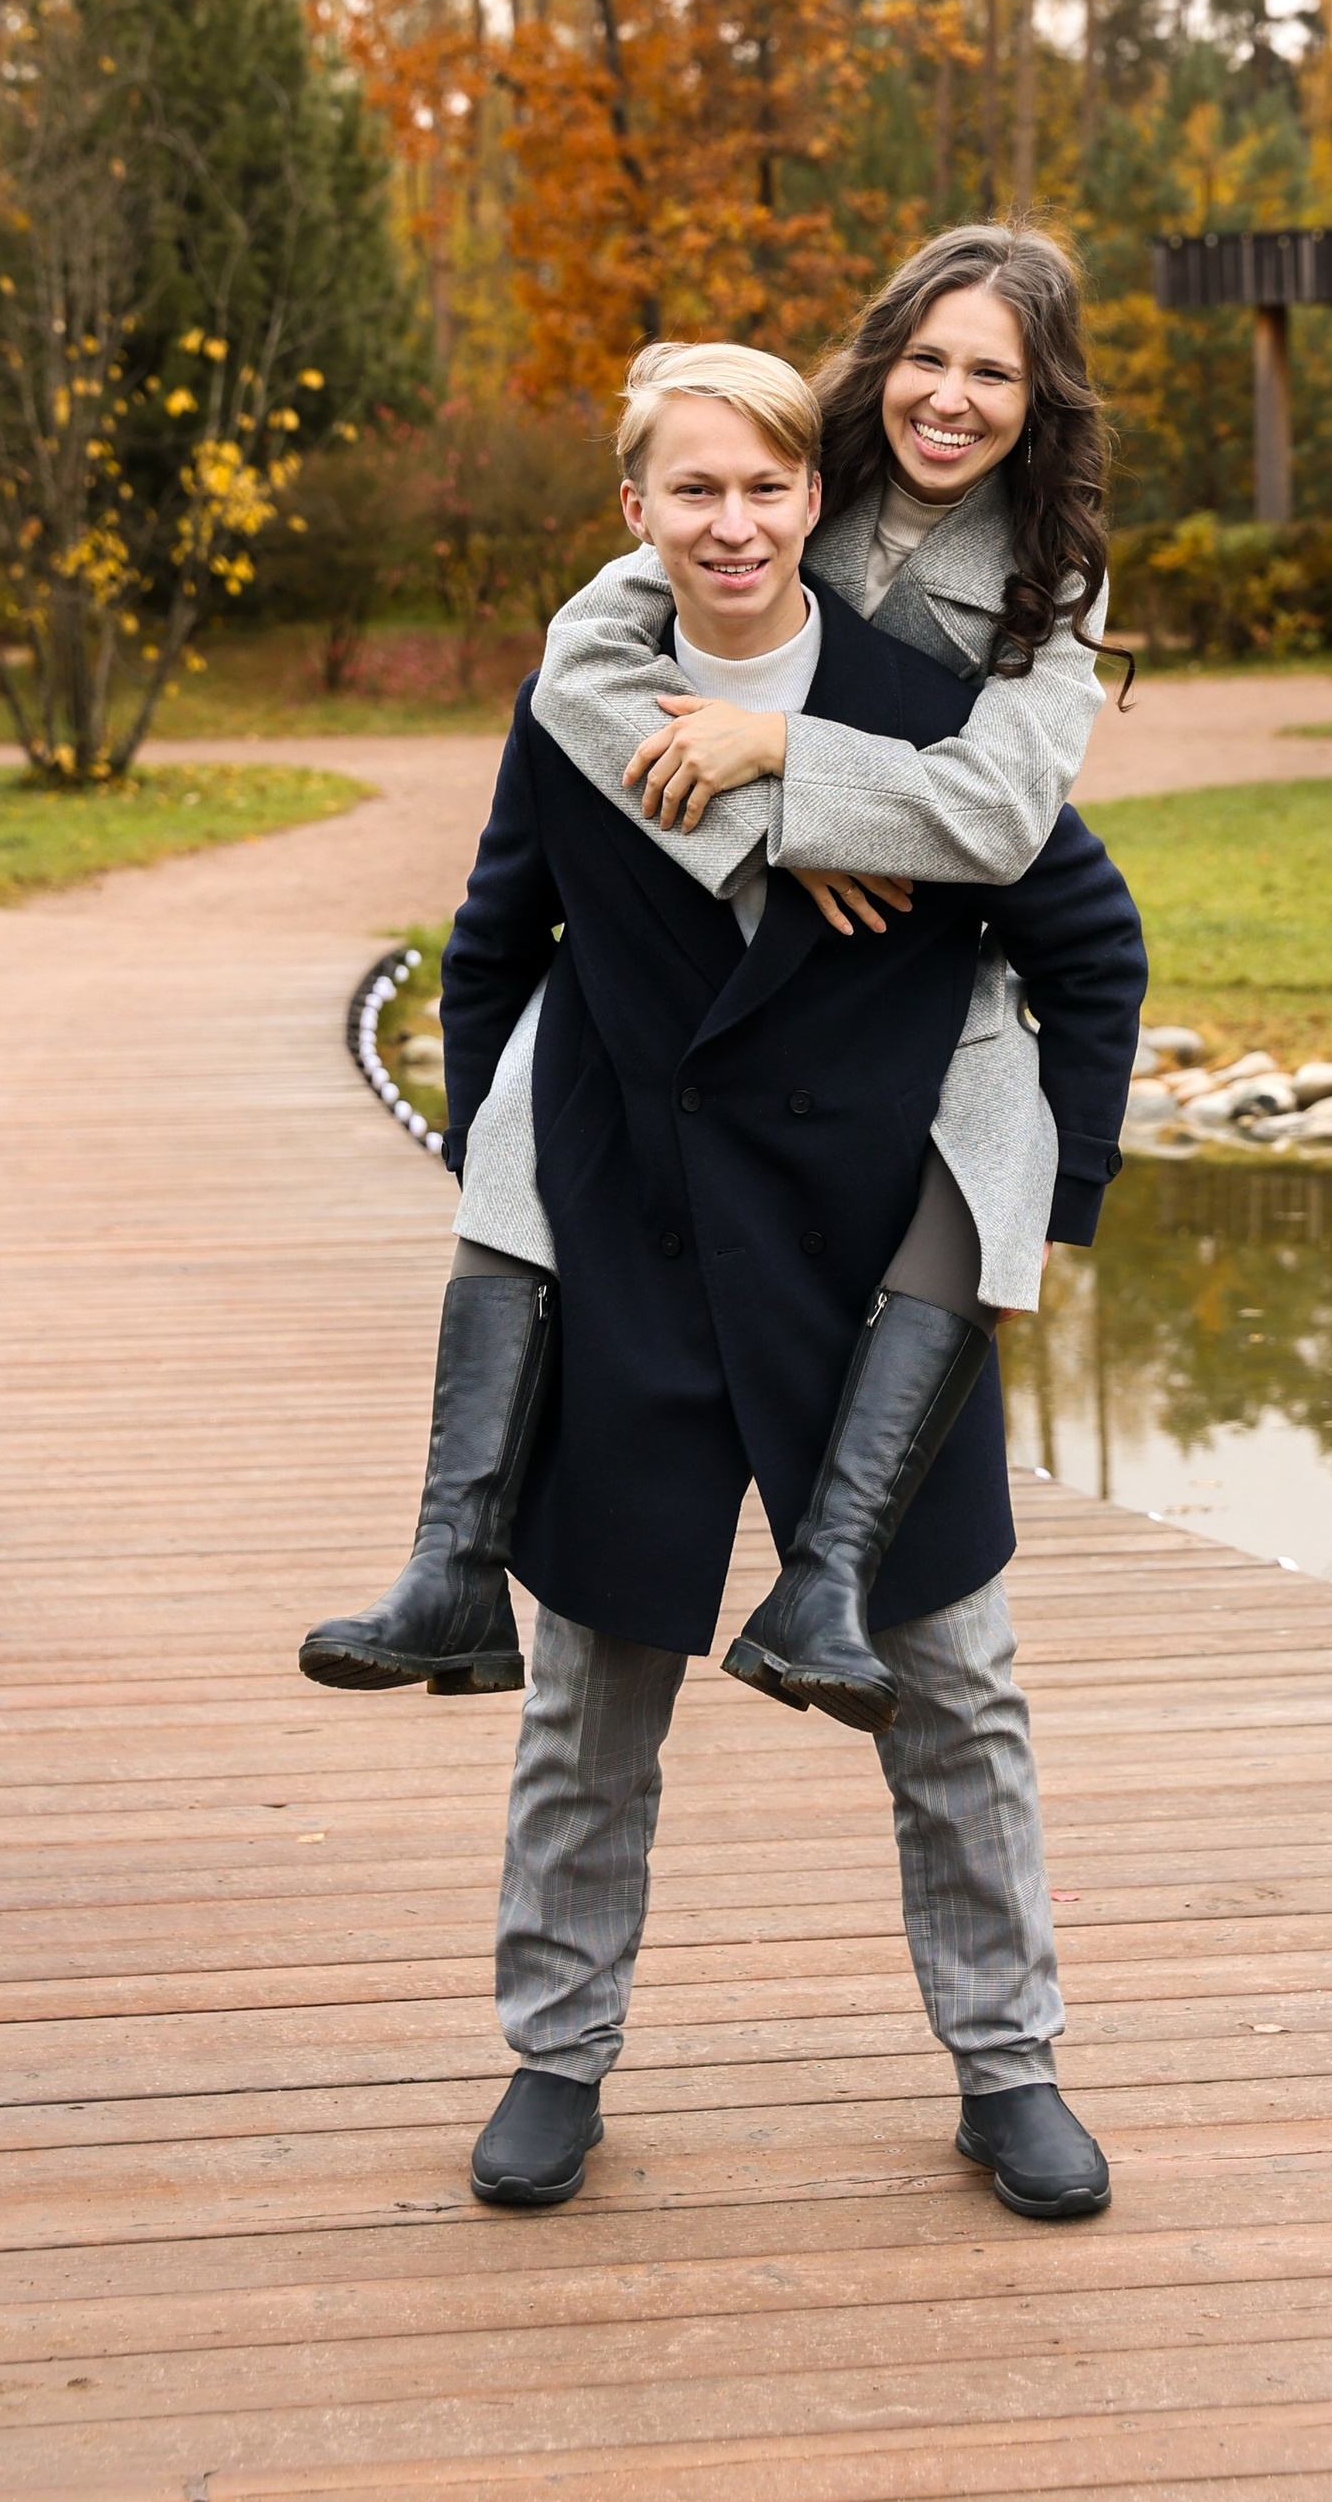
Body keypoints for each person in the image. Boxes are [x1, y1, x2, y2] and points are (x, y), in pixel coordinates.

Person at [302, 339, 1145, 2219]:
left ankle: (1009, 2070)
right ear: (637, 510)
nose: (737, 520)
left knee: (955, 1686)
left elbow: (1092, 941)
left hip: (866, 1262)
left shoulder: (925, 713)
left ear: (816, 500)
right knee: (590, 1690)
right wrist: (511, 1167)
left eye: (768, 488)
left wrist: (1027, 1197)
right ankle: (555, 2056)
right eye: (695, 490)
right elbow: (493, 938)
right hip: (643, 1254)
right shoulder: (588, 691)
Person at [300, 226, 1122, 1726]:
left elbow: (1011, 828)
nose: (949, 397)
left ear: (1039, 397)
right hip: (699, 1010)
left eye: (992, 371)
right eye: (926, 358)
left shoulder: (1044, 581)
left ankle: (826, 1590)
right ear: (874, 373)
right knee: (550, 1070)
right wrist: (771, 820)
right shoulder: (773, 466)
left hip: (902, 1004)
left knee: (960, 1691)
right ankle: (453, 1557)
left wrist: (788, 756)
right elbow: (581, 666)